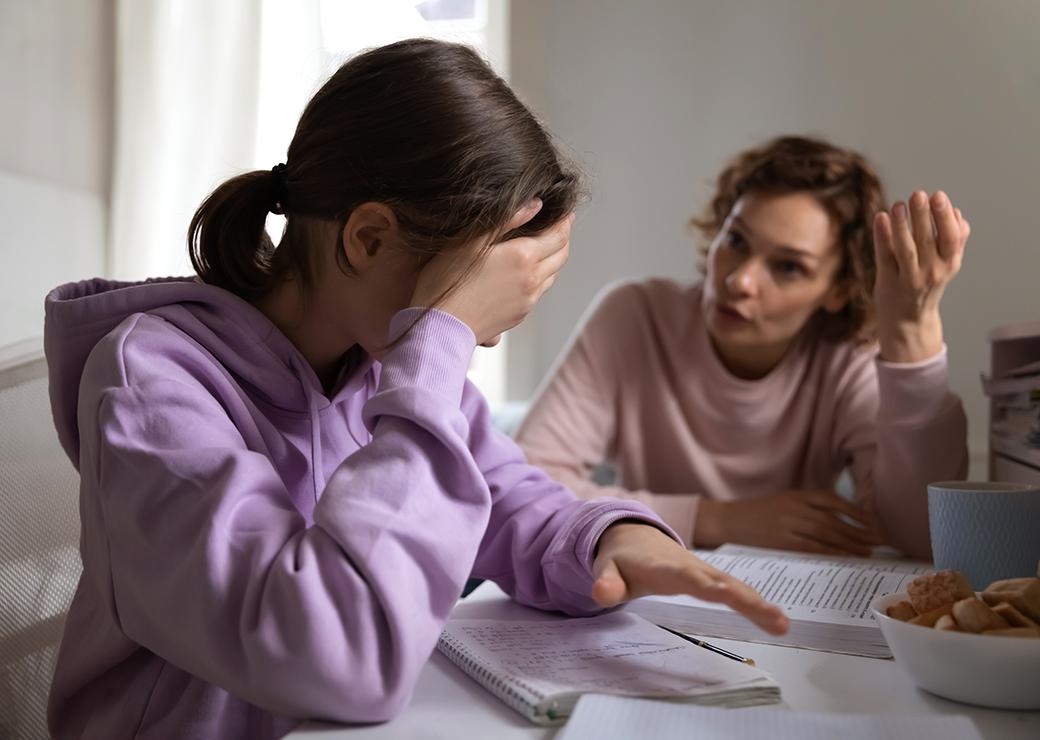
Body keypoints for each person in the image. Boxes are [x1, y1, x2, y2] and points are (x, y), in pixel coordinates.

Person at [43, 40, 786, 740]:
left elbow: (509, 500)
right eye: (473, 306)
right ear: (367, 239)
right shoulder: (153, 385)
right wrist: (440, 342)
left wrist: (611, 539)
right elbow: (336, 654)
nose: (483, 339)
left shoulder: (385, 365)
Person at [517, 135, 970, 560]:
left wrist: (912, 333)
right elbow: (526, 484)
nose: (740, 281)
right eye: (735, 241)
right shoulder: (635, 316)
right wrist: (721, 520)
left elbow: (922, 536)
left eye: (789, 267)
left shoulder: (848, 358)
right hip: (644, 589)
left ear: (838, 290)